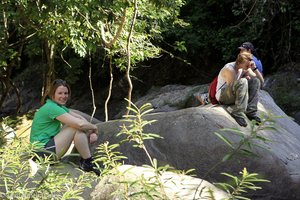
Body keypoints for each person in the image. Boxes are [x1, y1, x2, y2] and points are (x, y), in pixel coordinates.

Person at [30, 79, 100, 175]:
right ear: (52, 94)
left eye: (66, 93)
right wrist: (94, 129)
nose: (63, 96)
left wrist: (90, 130)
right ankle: (87, 162)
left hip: (47, 149)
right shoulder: (51, 107)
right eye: (60, 93)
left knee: (73, 125)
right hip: (42, 154)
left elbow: (79, 118)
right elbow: (79, 124)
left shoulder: (57, 106)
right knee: (74, 127)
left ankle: (86, 162)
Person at [215, 52, 264, 127]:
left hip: (234, 93)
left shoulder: (244, 67)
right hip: (223, 96)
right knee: (243, 81)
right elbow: (231, 87)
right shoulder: (229, 69)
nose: (248, 66)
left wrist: (254, 68)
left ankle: (250, 112)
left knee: (255, 81)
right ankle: (237, 112)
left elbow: (260, 80)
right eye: (247, 65)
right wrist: (243, 78)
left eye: (249, 64)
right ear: (239, 63)